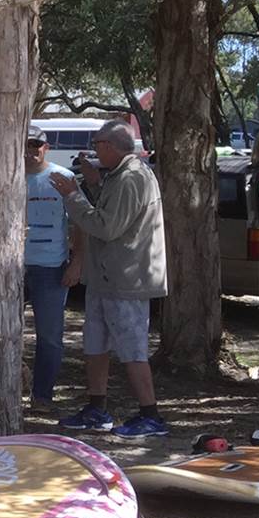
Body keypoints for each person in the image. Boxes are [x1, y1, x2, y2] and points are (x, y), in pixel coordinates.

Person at [50, 119, 167, 436]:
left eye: (97, 144)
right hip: (104, 278)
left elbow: (106, 227)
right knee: (95, 344)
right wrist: (93, 184)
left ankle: (151, 415)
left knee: (132, 349)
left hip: (125, 280)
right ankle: (97, 408)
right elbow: (112, 210)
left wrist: (73, 196)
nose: (94, 151)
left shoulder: (132, 177)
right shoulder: (117, 175)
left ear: (110, 146)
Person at [24, 125, 85, 413]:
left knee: (49, 337)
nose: (31, 151)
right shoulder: (7, 177)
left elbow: (80, 221)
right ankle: (5, 390)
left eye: (36, 145)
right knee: (2, 332)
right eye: (26, 145)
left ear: (45, 148)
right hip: (10, 268)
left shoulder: (63, 177)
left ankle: (42, 396)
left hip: (50, 267)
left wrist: (76, 263)